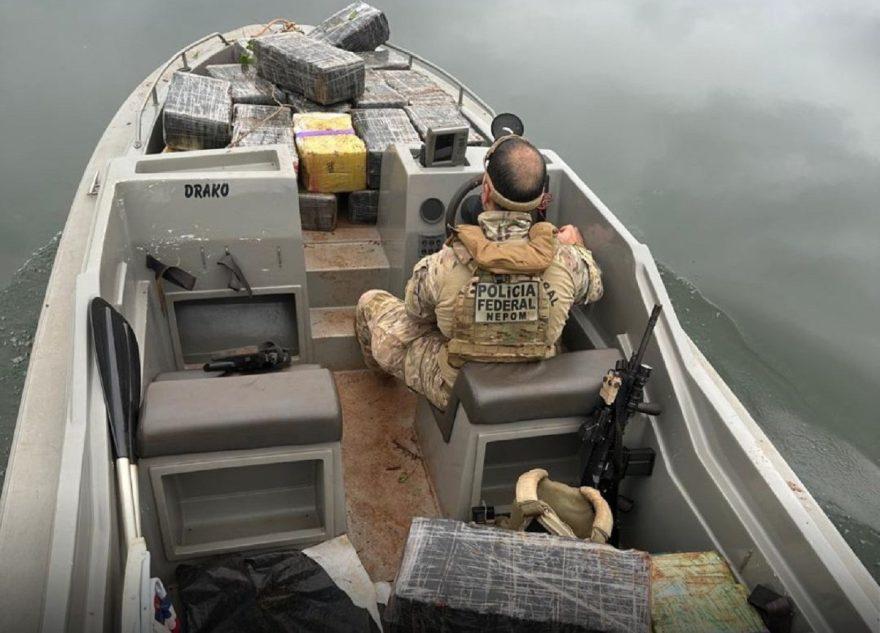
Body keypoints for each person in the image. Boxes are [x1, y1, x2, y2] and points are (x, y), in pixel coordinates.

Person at [355, 135, 603, 410]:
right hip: (535, 379)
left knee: (371, 303)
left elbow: (415, 312)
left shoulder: (445, 263)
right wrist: (576, 248)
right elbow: (593, 289)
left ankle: (378, 381)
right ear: (542, 199)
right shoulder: (567, 262)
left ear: (485, 191)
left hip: (458, 388)